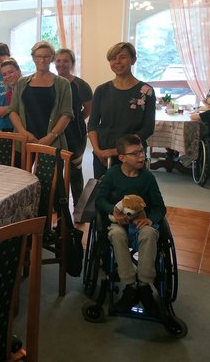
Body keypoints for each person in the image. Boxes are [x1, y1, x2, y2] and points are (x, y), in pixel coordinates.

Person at [95, 134, 166, 315]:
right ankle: (129, 286)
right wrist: (113, 211)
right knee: (116, 235)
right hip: (119, 222)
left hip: (141, 221)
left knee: (149, 234)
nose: (141, 156)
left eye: (142, 151)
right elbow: (100, 200)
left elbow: (160, 207)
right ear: (122, 158)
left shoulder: (148, 178)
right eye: (135, 153)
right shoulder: (112, 174)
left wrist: (150, 219)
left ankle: (144, 285)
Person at [88, 42, 156, 179]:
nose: (117, 62)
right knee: (103, 189)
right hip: (103, 154)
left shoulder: (146, 91)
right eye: (113, 59)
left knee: (131, 191)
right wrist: (97, 151)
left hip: (132, 155)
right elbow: (92, 124)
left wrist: (116, 151)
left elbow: (148, 128)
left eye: (122, 57)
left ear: (133, 60)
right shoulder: (101, 90)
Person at [9, 41, 73, 149]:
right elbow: (12, 110)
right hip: (25, 139)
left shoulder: (63, 84)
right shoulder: (22, 82)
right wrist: (23, 132)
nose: (42, 60)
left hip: (52, 141)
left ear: (52, 58)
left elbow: (66, 114)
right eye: (38, 56)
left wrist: (50, 137)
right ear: (33, 58)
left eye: (46, 56)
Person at [55, 48, 93, 205]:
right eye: (58, 60)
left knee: (75, 173)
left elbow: (88, 110)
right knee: (55, 172)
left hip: (76, 135)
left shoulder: (81, 85)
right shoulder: (50, 82)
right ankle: (58, 207)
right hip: (54, 136)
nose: (61, 64)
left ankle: (78, 207)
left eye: (66, 61)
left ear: (72, 63)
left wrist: (71, 121)